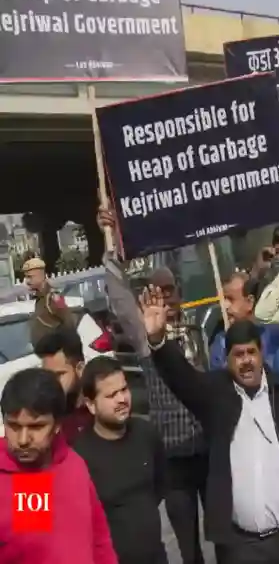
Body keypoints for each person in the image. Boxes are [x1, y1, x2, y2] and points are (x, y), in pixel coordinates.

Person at [140, 287, 279, 564]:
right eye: (238, 355)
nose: (246, 361)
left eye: (251, 352)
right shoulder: (216, 394)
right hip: (240, 546)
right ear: (227, 360)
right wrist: (158, 340)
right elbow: (182, 378)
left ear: (261, 353)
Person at [97, 206, 209, 564]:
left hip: (207, 452)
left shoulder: (196, 330)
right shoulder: (145, 336)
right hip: (173, 460)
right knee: (189, 550)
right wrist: (110, 242)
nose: (165, 297)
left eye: (170, 290)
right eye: (157, 291)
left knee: (226, 537)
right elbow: (118, 295)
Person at [0, 368, 117, 564]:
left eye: (36, 427)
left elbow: (100, 540)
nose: (22, 440)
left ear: (57, 425)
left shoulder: (74, 465)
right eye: (14, 426)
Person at [72, 357, 168, 564]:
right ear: (91, 405)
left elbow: (159, 486)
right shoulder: (79, 458)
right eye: (111, 395)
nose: (122, 399)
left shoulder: (146, 433)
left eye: (124, 390)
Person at [210, 272, 279, 381]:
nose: (225, 306)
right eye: (223, 300)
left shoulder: (274, 337)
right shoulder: (220, 343)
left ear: (249, 302)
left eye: (230, 299)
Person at [34, 328, 93, 443]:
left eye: (59, 374)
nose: (52, 382)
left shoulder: (100, 406)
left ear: (80, 369)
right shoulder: (46, 412)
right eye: (48, 375)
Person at [22, 256, 75, 346]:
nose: (27, 281)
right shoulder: (40, 298)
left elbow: (69, 323)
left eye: (30, 277)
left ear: (40, 276)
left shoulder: (52, 297)